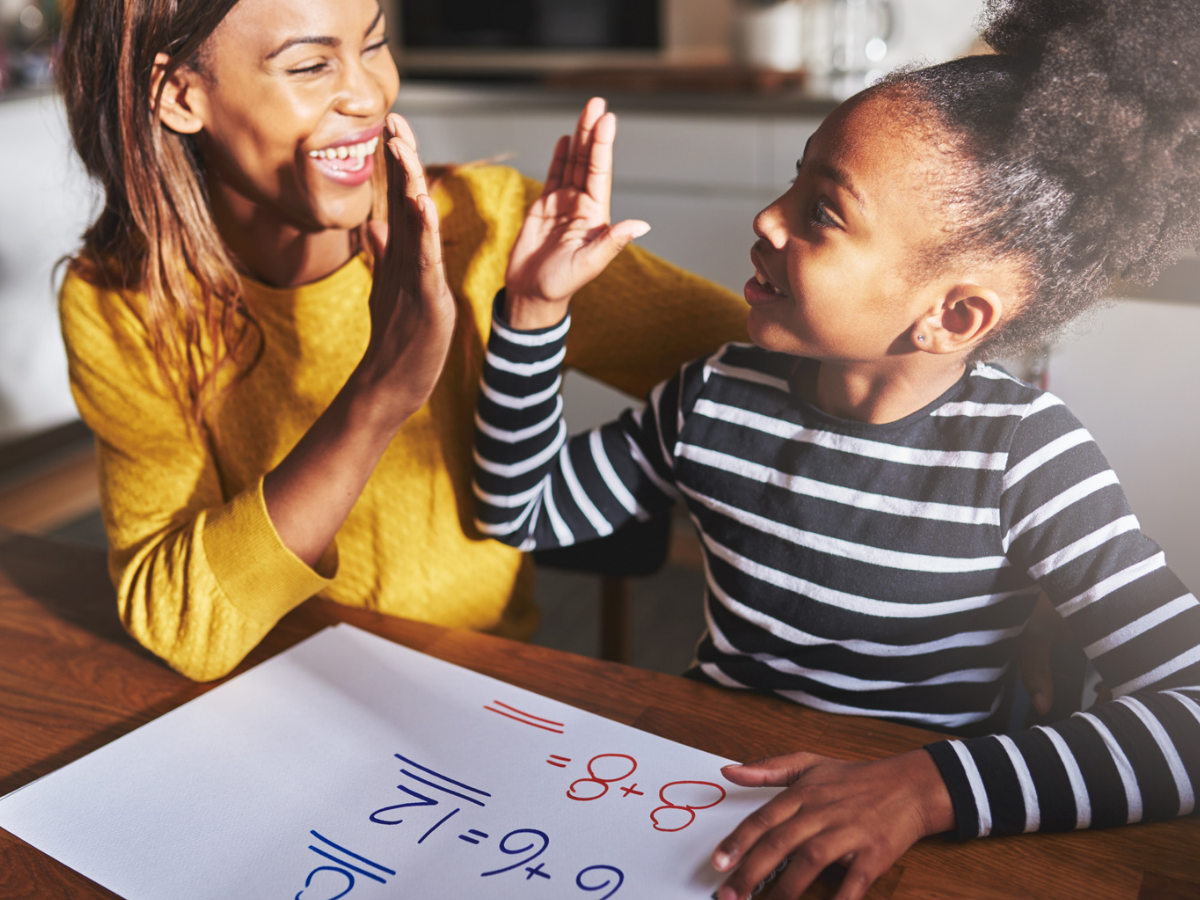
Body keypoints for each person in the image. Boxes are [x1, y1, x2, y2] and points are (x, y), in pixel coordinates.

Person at [471, 1, 1200, 898]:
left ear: (953, 316)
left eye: (822, 209)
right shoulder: (716, 394)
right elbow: (520, 510)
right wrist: (536, 314)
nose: (768, 220)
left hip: (916, 829)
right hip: (712, 795)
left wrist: (924, 788)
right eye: (792, 181)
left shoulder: (1025, 457)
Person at [55, 0, 750, 682]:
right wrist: (378, 395)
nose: (369, 94)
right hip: (265, 694)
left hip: (476, 691)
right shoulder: (121, 301)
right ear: (179, 96)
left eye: (375, 44)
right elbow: (182, 625)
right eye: (310, 65)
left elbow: (800, 373)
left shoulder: (490, 228)